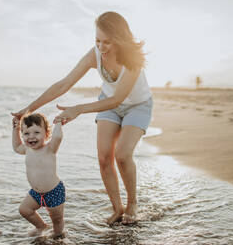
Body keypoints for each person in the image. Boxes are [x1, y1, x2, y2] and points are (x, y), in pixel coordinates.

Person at [12, 11, 153, 225]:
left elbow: (118, 99)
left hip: (137, 106)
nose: (101, 47)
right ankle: (117, 209)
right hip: (108, 102)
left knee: (122, 155)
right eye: (97, 40)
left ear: (120, 39)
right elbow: (64, 84)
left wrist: (78, 109)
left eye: (107, 42)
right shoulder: (94, 54)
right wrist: (30, 108)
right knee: (104, 157)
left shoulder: (133, 62)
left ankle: (132, 202)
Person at [12, 113, 65, 238]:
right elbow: (16, 147)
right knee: (24, 210)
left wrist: (58, 122)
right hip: (36, 193)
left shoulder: (50, 148)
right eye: (26, 133)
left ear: (46, 134)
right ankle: (41, 226)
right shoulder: (26, 149)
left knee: (57, 220)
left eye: (36, 132)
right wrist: (15, 129)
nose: (31, 137)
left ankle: (59, 236)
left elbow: (57, 137)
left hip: (53, 192)